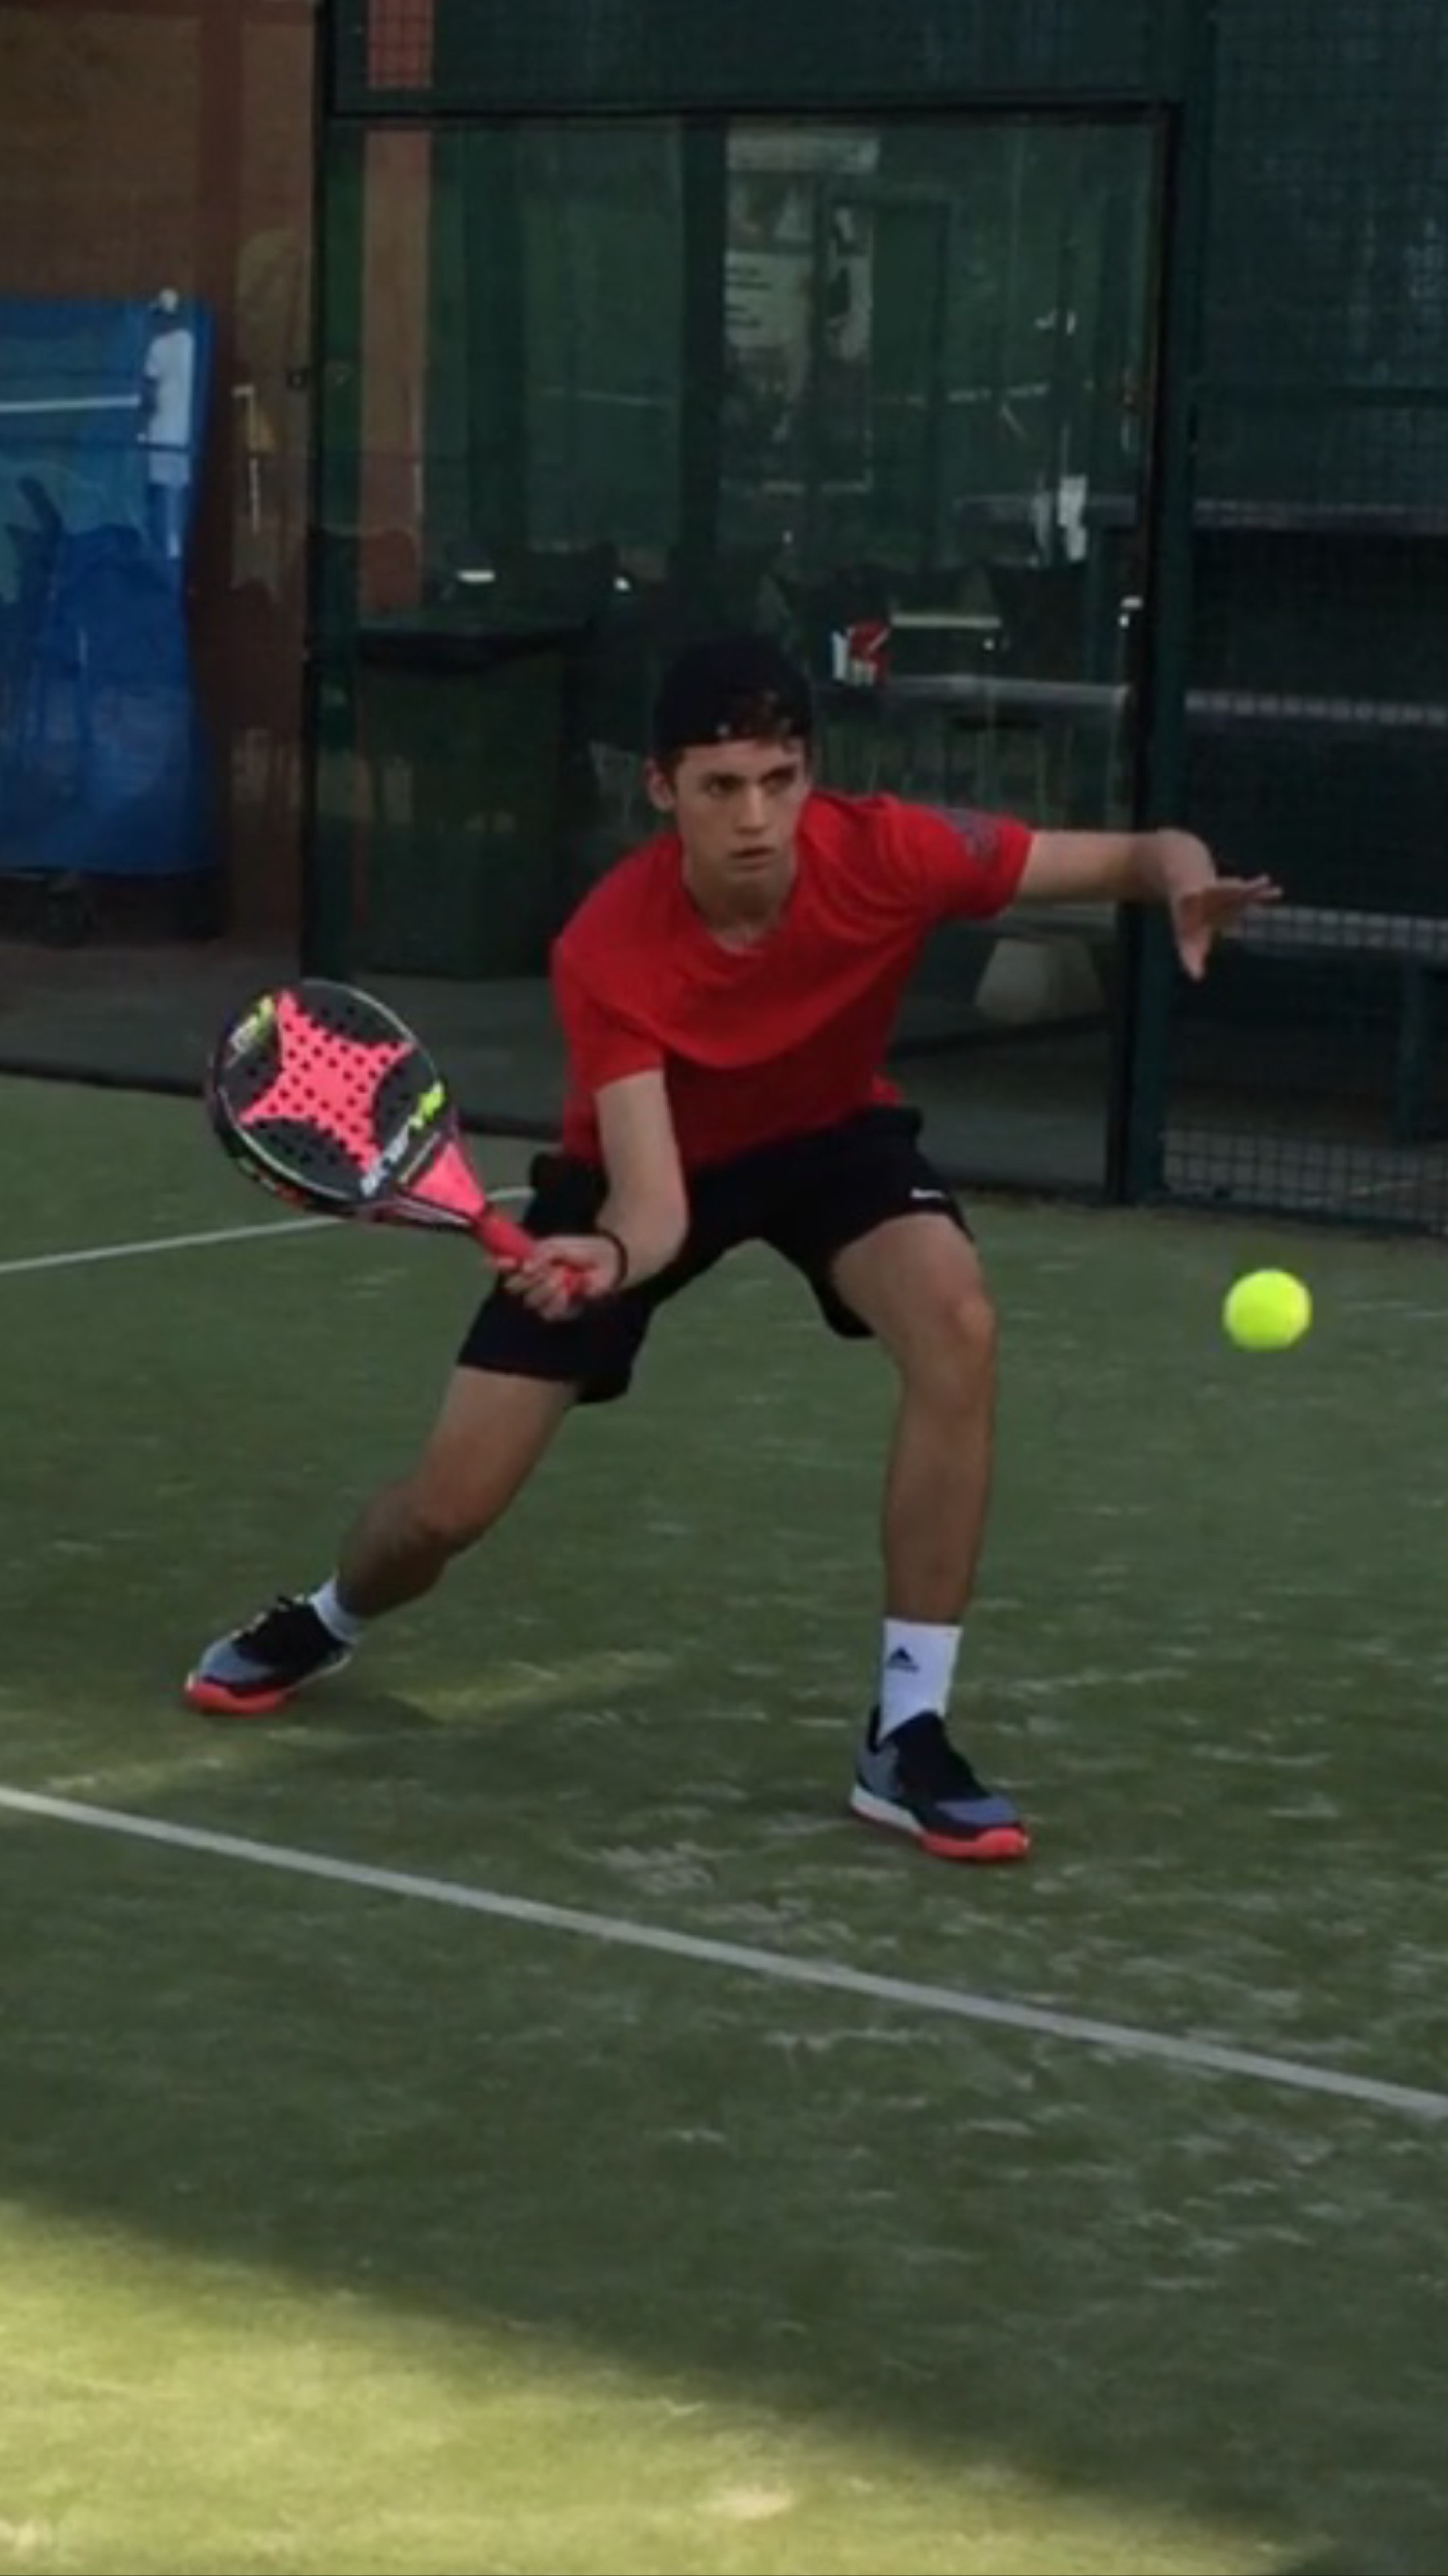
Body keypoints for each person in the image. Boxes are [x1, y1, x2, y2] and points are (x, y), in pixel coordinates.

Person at [185, 633, 1279, 1862]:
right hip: (651, 1171)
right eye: (720, 787)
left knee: (958, 1321)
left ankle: (907, 1730)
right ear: (663, 789)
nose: (755, 818)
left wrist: (1189, 879)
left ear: (811, 772)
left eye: (778, 779)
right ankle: (331, 1614)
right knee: (443, 1511)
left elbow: (1139, 853)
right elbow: (655, 1201)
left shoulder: (895, 851)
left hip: (829, 1136)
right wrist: (609, 1256)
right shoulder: (611, 945)